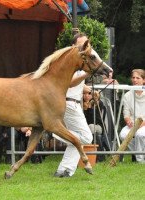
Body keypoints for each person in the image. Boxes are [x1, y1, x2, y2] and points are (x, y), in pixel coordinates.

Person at [54, 33, 94, 177]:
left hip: (72, 102)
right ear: (73, 46)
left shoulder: (80, 61)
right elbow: (69, 83)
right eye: (82, 44)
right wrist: (86, 74)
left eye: (86, 44)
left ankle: (64, 171)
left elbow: (75, 84)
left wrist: (87, 89)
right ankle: (56, 133)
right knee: (86, 137)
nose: (85, 46)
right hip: (69, 103)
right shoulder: (70, 61)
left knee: (76, 140)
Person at [119, 69, 145, 164]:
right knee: (123, 135)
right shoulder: (127, 95)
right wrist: (128, 121)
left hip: (144, 123)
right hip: (133, 123)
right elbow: (126, 113)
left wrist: (140, 124)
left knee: (140, 134)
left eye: (138, 78)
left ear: (143, 80)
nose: (135, 80)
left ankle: (140, 161)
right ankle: (139, 154)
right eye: (133, 77)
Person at [83, 90, 108, 161]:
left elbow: (94, 120)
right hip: (85, 128)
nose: (86, 95)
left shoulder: (98, 103)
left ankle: (100, 156)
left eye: (89, 94)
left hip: (98, 126)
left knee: (91, 127)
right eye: (84, 93)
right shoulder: (80, 103)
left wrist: (90, 108)